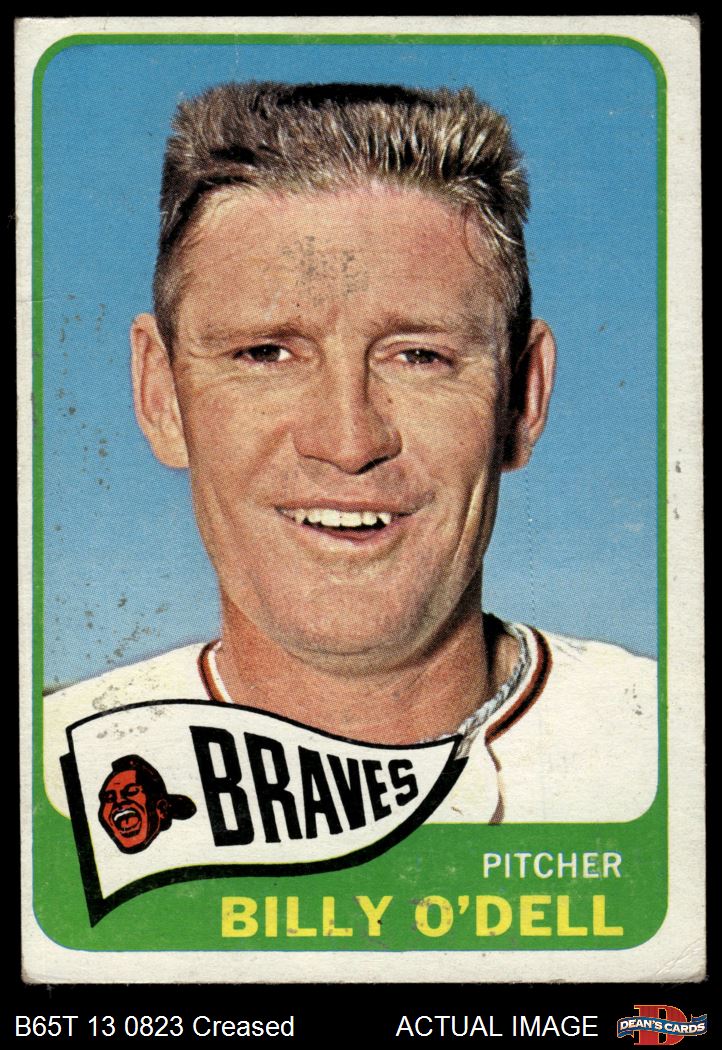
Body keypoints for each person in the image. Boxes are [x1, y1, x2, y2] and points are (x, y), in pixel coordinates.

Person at [45, 81, 656, 825]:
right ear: (160, 395)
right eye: (266, 353)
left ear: (523, 398)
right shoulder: (51, 781)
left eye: (419, 356)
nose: (349, 442)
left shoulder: (668, 752)